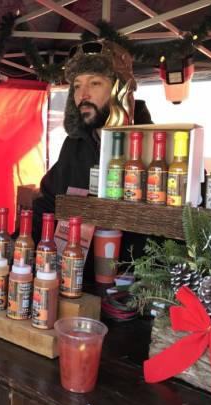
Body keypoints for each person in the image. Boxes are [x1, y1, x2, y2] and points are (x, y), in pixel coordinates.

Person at [32, 40, 153, 259]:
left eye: (95, 83)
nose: (82, 94)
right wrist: (19, 245)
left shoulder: (152, 147)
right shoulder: (74, 146)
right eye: (77, 85)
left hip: (130, 284)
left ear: (120, 88)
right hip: (73, 277)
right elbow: (48, 203)